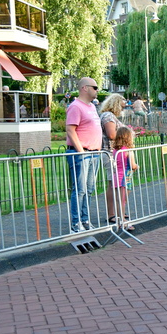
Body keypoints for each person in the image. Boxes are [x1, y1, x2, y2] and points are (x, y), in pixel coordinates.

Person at [66, 77, 102, 233]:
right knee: (79, 189)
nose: (97, 90)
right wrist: (81, 151)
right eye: (95, 87)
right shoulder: (75, 106)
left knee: (89, 189)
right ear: (84, 88)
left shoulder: (92, 107)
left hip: (94, 153)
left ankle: (85, 220)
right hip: (82, 153)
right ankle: (76, 223)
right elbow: (70, 130)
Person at [100, 94, 127, 224]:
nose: (123, 109)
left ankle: (119, 211)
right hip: (110, 154)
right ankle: (112, 214)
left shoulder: (111, 117)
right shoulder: (108, 116)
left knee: (117, 183)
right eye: (122, 106)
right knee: (113, 183)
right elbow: (111, 134)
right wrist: (126, 135)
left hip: (115, 154)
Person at [112, 127, 139, 231]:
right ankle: (123, 220)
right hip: (125, 178)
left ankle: (120, 219)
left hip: (116, 177)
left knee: (118, 200)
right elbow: (132, 165)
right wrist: (137, 166)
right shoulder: (128, 151)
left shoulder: (115, 150)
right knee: (123, 201)